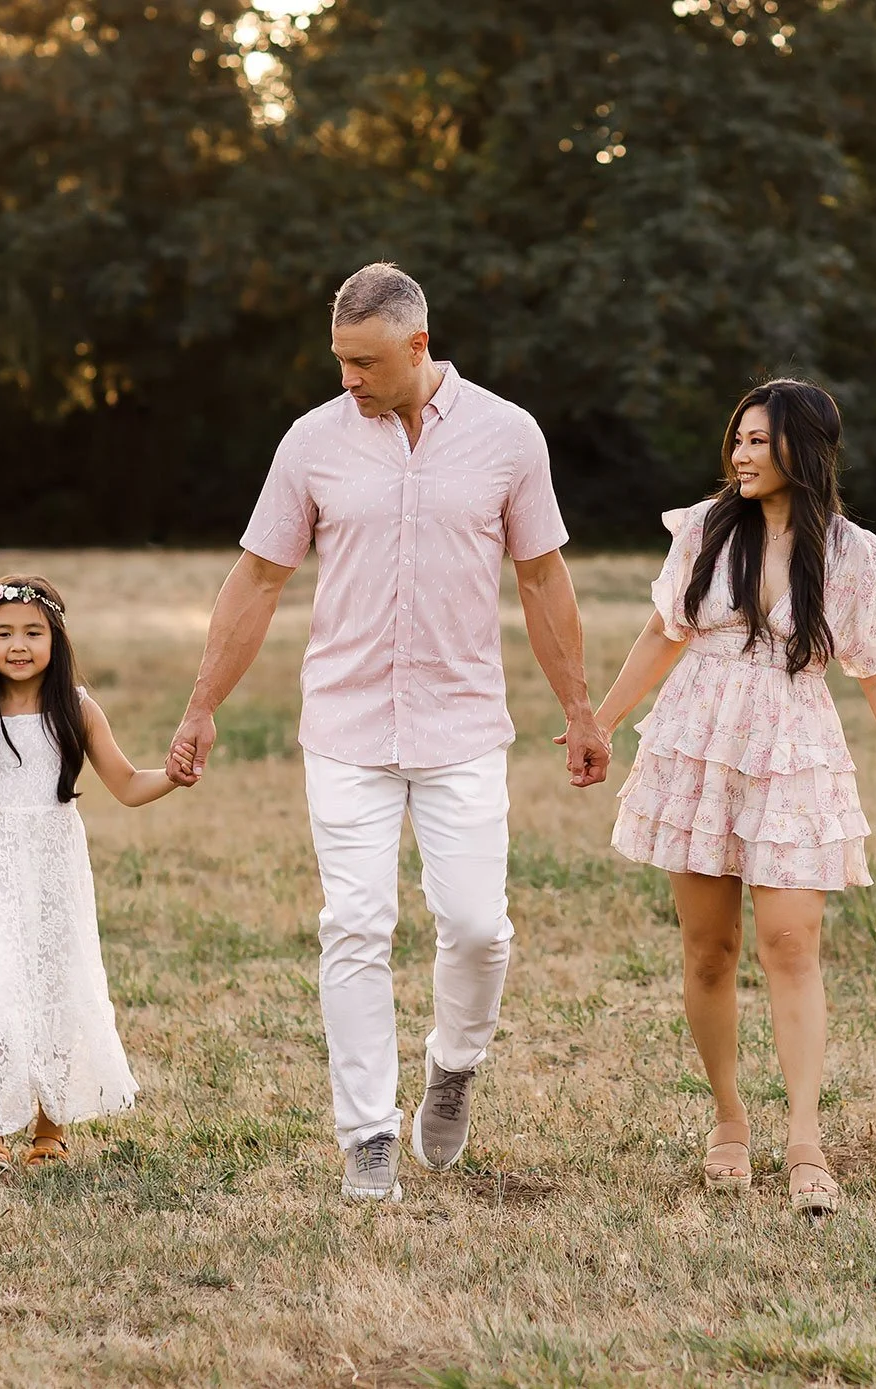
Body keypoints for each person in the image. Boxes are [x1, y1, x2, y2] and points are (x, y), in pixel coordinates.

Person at [165, 263, 610, 1202]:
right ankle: (366, 1133)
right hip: (346, 726)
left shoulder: (507, 435)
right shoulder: (311, 443)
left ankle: (452, 1067)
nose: (348, 380)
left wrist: (579, 707)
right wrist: (202, 704)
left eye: (365, 363)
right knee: (356, 924)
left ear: (418, 345)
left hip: (463, 727)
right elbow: (256, 581)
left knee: (479, 928)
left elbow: (541, 580)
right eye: (338, 362)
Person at [591, 379, 876, 1218]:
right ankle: (729, 1117)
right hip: (700, 744)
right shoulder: (702, 530)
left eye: (760, 441)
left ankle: (805, 1138)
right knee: (709, 949)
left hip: (792, 752)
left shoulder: (851, 556)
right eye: (739, 440)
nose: (741, 454)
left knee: (791, 944)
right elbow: (664, 631)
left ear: (805, 448)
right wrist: (601, 721)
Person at [0, 576, 183, 1172]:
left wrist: (175, 772)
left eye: (33, 632)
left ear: (56, 640)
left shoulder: (77, 709)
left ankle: (50, 1127)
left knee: (57, 983)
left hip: (56, 866)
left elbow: (128, 783)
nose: (18, 644)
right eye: (4, 633)